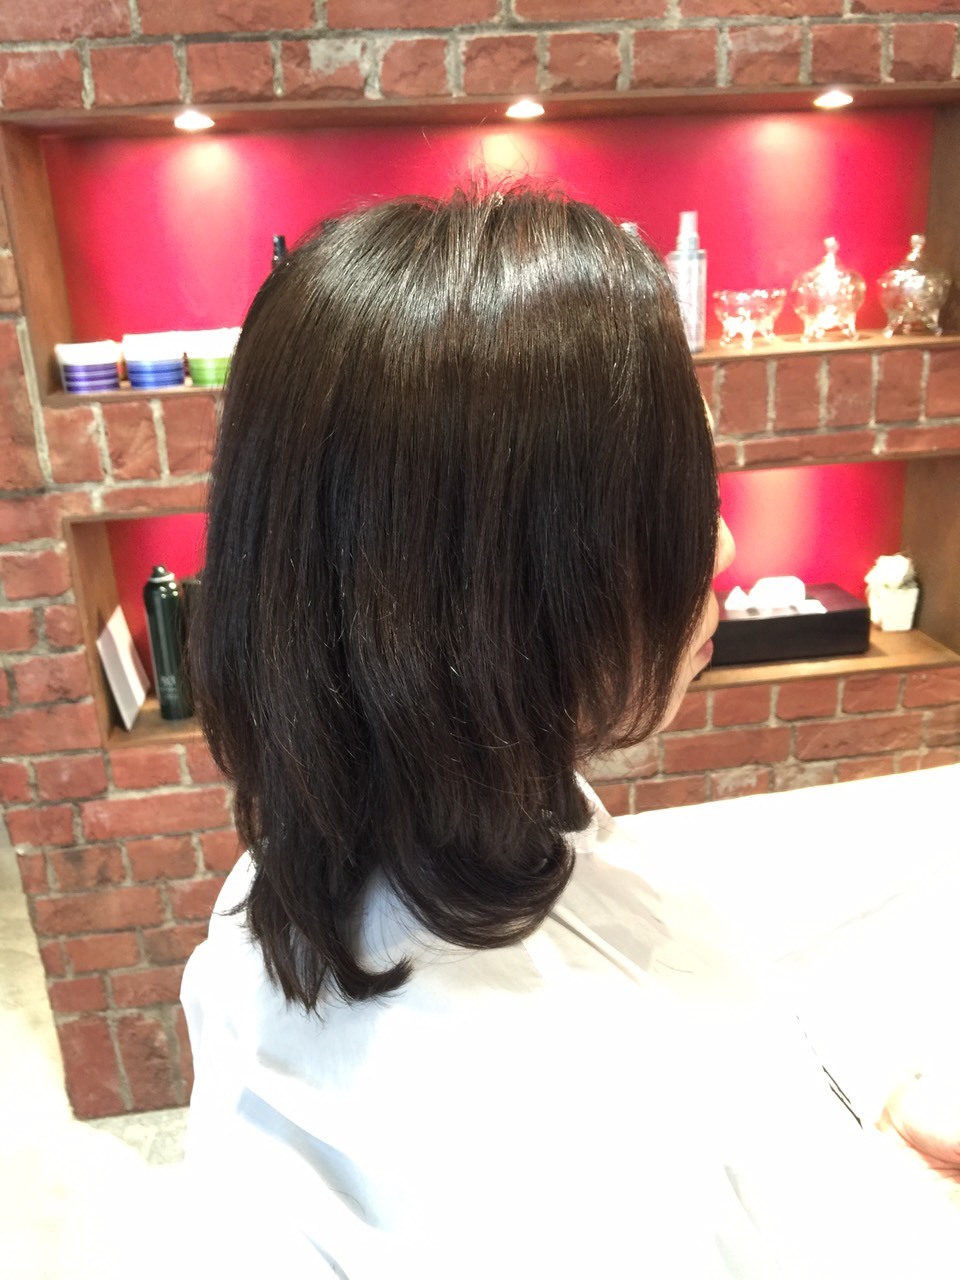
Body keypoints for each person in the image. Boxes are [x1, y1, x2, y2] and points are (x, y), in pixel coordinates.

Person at [181, 184, 959, 1277]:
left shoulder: (390, 832)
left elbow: (694, 1002)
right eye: (674, 513)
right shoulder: (550, 1154)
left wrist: (868, 1104)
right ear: (492, 596)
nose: (724, 549)